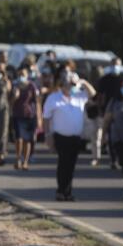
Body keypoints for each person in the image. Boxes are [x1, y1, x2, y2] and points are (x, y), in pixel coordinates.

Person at [43, 69, 95, 201]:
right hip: (60, 137)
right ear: (63, 85)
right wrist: (48, 136)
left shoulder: (79, 96)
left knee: (71, 165)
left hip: (75, 137)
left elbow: (93, 93)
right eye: (69, 85)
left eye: (73, 85)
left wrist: (82, 82)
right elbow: (46, 118)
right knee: (63, 164)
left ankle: (68, 192)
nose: (71, 87)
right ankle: (61, 191)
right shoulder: (53, 98)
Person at [11, 64, 40, 170]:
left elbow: (37, 101)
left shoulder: (32, 85)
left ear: (27, 75)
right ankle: (18, 159)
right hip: (18, 115)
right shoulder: (14, 85)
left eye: (23, 74)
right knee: (19, 138)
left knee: (28, 139)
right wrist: (15, 96)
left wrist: (39, 117)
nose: (21, 76)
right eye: (19, 74)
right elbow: (10, 102)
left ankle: (25, 161)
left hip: (29, 115)